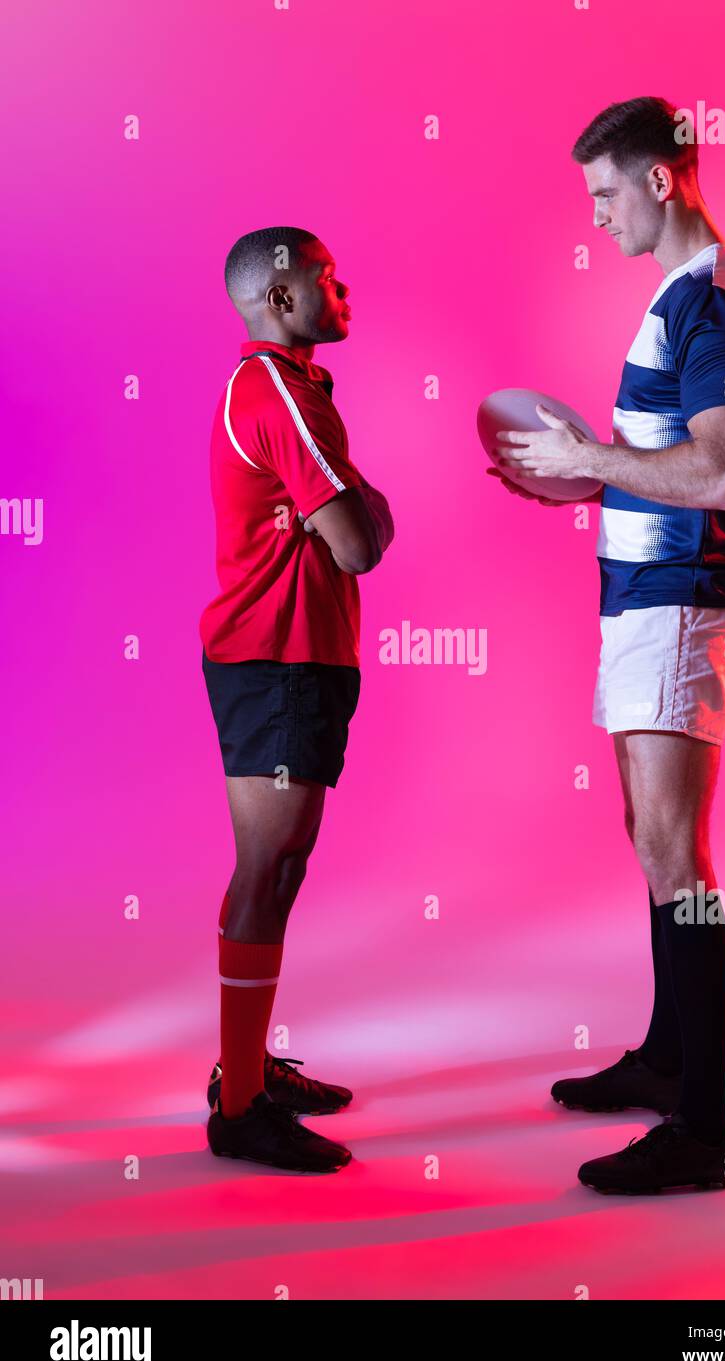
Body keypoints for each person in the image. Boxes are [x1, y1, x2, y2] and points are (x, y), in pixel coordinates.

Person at [492, 97, 725, 1194]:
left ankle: (703, 1131)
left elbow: (720, 476)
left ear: (660, 181)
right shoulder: (675, 297)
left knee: (677, 860)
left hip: (685, 605)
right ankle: (669, 1060)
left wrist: (592, 459)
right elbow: (655, 460)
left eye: (605, 192)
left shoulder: (715, 302)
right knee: (650, 837)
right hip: (643, 603)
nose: (597, 216)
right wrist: (570, 472)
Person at [200, 226, 394, 1172]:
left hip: (304, 656)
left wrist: (355, 507)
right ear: (279, 299)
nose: (343, 286)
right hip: (272, 656)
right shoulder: (273, 386)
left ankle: (247, 1071)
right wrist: (360, 505)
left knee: (282, 869)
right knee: (267, 870)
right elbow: (360, 538)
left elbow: (351, 525)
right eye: (327, 277)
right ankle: (239, 1108)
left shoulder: (301, 389)